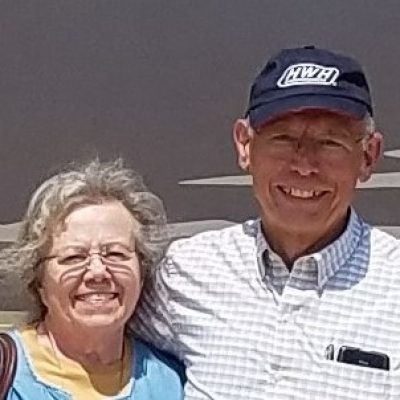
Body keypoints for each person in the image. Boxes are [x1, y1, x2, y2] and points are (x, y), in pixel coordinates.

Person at [132, 46, 400, 399]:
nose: (304, 165)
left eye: (330, 142)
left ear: (368, 156)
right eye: (283, 139)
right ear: (245, 145)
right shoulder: (184, 272)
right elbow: (82, 350)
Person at [0, 159, 184, 399]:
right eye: (74, 257)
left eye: (116, 254)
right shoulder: (8, 375)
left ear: (141, 272)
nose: (98, 272)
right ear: (39, 281)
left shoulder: (172, 381)